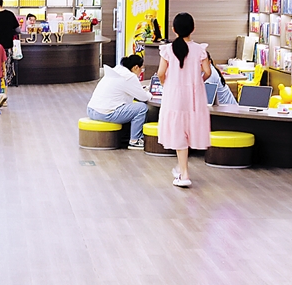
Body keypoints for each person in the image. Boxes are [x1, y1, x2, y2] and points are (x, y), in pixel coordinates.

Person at [157, 13, 212, 188]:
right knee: (190, 128)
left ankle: (184, 173)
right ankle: (182, 171)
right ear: (193, 29)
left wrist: (166, 83)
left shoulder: (168, 49)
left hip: (173, 94)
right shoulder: (200, 50)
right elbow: (208, 72)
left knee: (178, 130)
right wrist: (198, 81)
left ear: (174, 30)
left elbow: (160, 73)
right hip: (194, 96)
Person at [86, 55, 152, 148]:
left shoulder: (115, 71)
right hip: (105, 113)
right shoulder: (129, 77)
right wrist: (150, 94)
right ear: (136, 67)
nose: (141, 71)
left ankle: (125, 136)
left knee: (131, 106)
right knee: (141, 108)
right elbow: (144, 97)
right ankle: (135, 140)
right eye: (142, 69)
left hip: (91, 110)